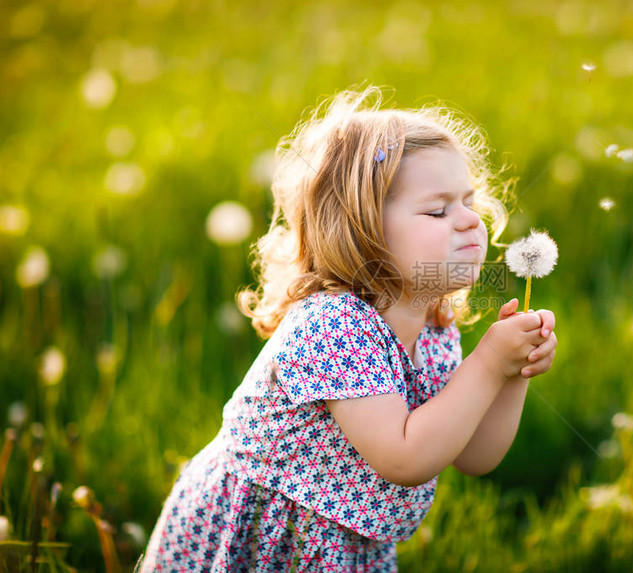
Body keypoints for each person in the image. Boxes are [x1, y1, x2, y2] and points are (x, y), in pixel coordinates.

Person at [139, 85, 557, 572]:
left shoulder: (435, 325)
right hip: (264, 538)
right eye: (439, 210)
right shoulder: (332, 324)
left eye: (469, 202)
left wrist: (510, 376)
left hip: (339, 544)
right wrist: (486, 365)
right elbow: (403, 458)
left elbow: (474, 455)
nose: (470, 221)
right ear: (361, 230)